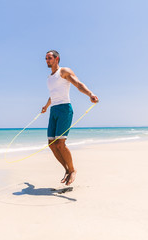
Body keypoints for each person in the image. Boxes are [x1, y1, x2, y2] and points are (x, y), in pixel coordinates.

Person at [41, 50, 99, 186]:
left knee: (60, 144)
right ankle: (67, 169)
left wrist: (90, 94)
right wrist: (46, 106)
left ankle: (72, 170)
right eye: (45, 58)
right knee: (51, 143)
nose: (47, 60)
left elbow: (78, 84)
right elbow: (53, 94)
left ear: (57, 59)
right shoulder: (49, 78)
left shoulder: (64, 71)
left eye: (49, 58)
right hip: (53, 110)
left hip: (64, 109)